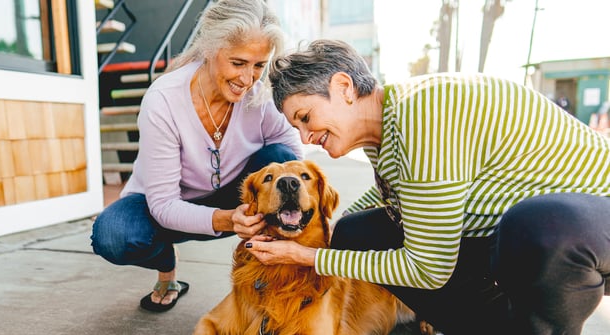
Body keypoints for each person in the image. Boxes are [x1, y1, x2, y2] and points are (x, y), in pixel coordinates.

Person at [243, 39, 610, 334]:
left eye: (306, 118)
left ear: (343, 88)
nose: (306, 136)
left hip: (589, 220)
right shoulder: (383, 130)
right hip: (513, 239)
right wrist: (324, 232)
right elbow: (398, 200)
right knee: (354, 233)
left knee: (538, 225)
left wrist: (307, 256)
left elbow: (430, 268)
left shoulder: (425, 114)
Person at [90, 0, 303, 313]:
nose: (248, 79)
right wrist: (228, 219)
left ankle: (270, 277)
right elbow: (162, 204)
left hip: (237, 196)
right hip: (167, 205)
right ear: (210, 49)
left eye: (259, 65)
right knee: (113, 234)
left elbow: (295, 160)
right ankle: (167, 265)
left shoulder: (262, 94)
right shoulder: (164, 99)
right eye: (238, 62)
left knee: (284, 161)